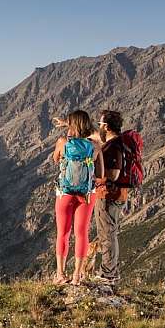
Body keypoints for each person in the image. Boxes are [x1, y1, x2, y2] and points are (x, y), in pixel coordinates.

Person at [51, 110, 104, 285]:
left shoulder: (63, 142)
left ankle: (60, 274)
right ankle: (77, 276)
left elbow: (56, 159)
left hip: (65, 193)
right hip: (86, 195)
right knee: (81, 233)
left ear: (71, 124)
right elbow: (100, 173)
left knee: (63, 233)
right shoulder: (95, 146)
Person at [93, 110, 128, 284]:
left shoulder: (114, 147)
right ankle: (109, 271)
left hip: (109, 195)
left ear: (106, 126)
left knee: (107, 234)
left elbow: (113, 175)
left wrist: (94, 175)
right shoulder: (115, 143)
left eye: (100, 125)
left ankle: (108, 274)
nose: (99, 128)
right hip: (112, 195)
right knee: (107, 233)